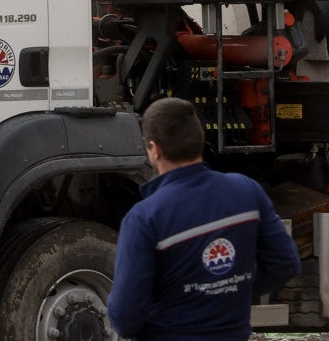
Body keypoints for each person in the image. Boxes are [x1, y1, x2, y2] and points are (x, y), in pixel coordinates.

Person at [107, 97, 301, 339]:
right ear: (200, 140)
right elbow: (286, 263)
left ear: (154, 150)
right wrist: (232, 290)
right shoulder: (246, 191)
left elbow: (125, 318)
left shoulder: (144, 218)